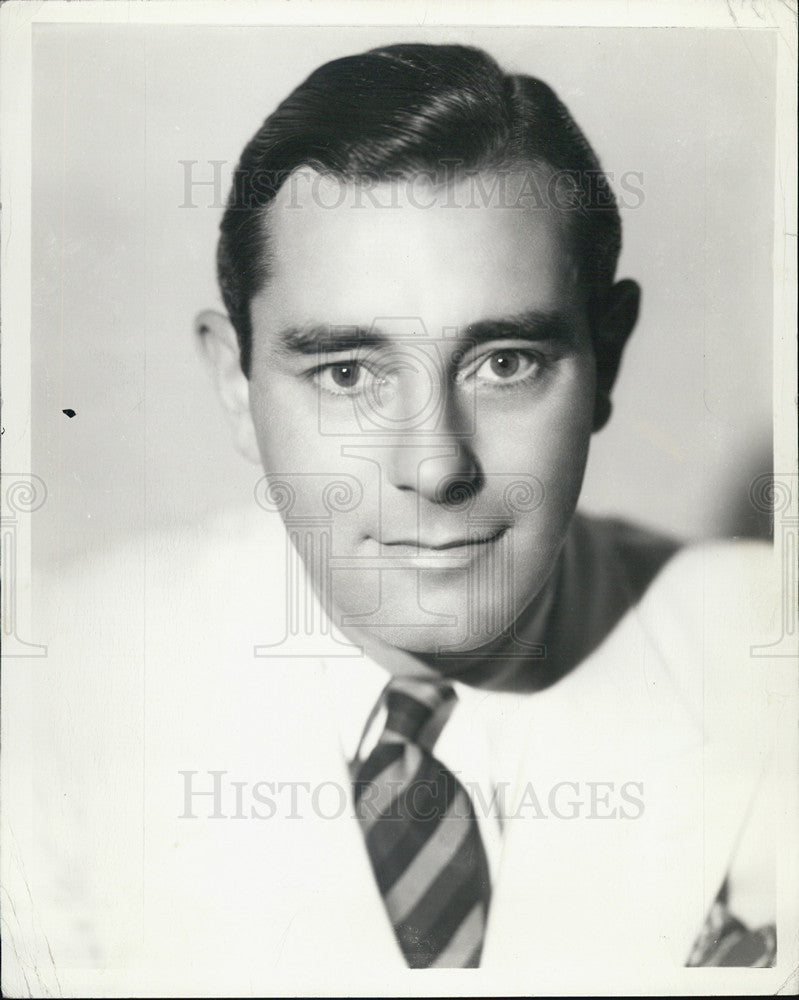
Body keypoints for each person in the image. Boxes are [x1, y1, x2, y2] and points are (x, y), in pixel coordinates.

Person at [3, 42, 782, 995]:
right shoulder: (46, 699)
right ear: (236, 385)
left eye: (504, 362)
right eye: (346, 374)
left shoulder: (769, 662)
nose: (434, 463)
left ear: (606, 359)